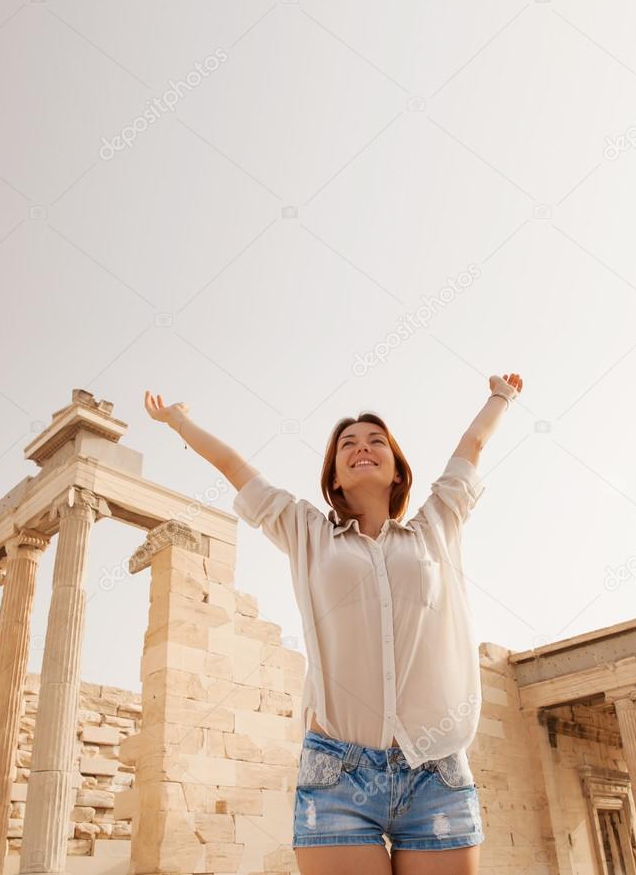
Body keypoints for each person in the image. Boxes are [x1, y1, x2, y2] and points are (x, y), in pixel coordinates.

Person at [143, 372, 523, 875]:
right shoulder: (306, 533)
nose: (361, 446)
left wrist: (502, 396)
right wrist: (178, 422)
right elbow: (235, 467)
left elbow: (471, 446)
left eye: (375, 441)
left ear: (397, 472)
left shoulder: (437, 527)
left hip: (437, 772)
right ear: (335, 477)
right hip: (337, 774)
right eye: (348, 443)